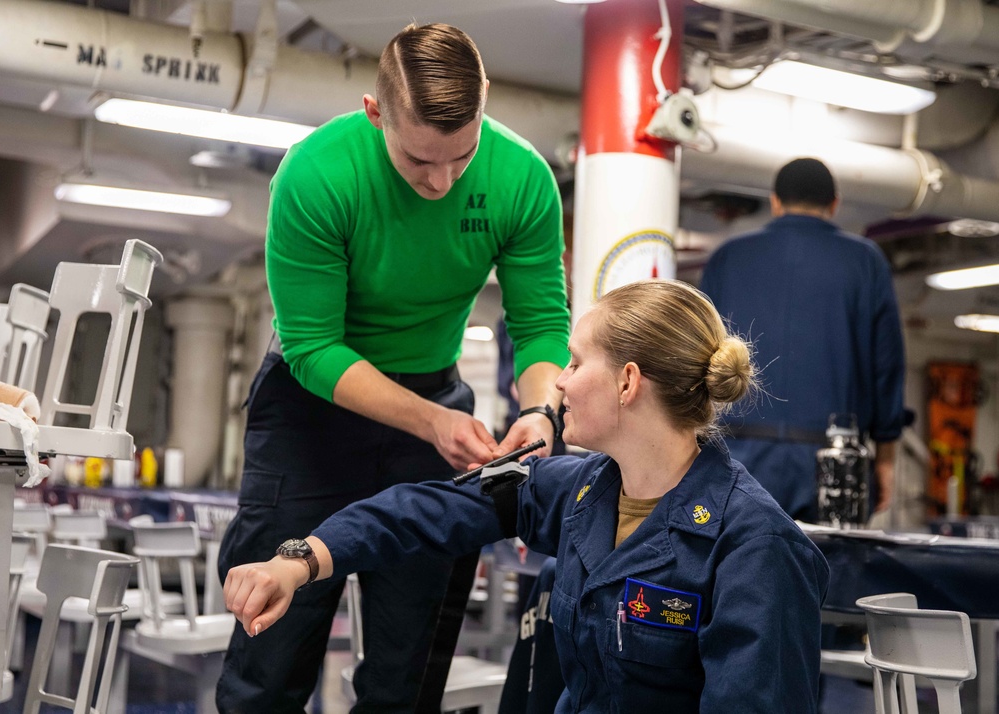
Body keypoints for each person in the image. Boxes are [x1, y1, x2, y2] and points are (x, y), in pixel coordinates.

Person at [223, 279, 831, 713]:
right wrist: (300, 560)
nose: (558, 382)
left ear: (627, 383)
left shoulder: (755, 548)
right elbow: (428, 509)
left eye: (574, 360)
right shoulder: (580, 490)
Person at [215, 23, 570, 713]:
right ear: (376, 113)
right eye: (418, 161)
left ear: (485, 100)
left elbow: (539, 326)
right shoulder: (317, 173)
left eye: (460, 158)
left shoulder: (523, 179)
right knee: (272, 652)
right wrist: (435, 421)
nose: (440, 182)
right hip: (309, 415)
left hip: (433, 402)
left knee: (407, 673)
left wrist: (539, 409)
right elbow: (313, 348)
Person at [699, 157, 906, 522]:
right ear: (835, 204)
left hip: (736, 452)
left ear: (775, 202)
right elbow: (886, 365)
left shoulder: (727, 258)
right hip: (833, 460)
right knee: (830, 574)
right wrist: (886, 457)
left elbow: (696, 354)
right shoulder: (865, 261)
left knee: (732, 570)